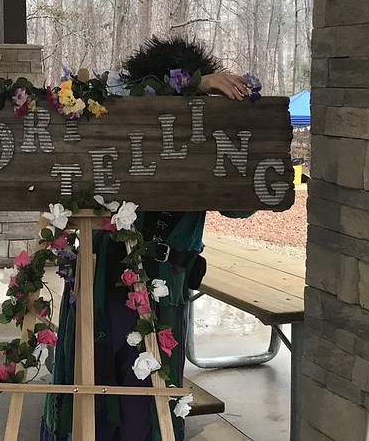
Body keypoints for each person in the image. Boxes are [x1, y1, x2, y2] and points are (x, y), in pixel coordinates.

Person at [40, 36, 254, 441]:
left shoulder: (202, 140)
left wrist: (222, 113)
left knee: (150, 400)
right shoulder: (120, 121)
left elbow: (241, 204)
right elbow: (114, 90)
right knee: (93, 388)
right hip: (103, 276)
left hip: (165, 283)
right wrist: (196, 82)